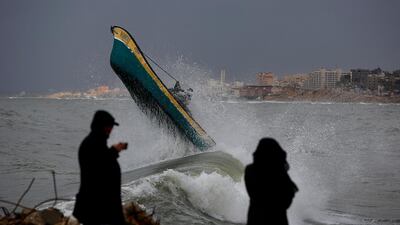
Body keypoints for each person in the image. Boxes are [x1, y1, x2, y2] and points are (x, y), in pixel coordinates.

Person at [73, 110, 128, 225]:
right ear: (100, 126)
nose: (110, 130)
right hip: (95, 207)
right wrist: (114, 151)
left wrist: (113, 151)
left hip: (102, 207)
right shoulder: (91, 143)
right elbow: (98, 169)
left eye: (111, 127)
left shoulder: (98, 143)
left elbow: (102, 161)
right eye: (108, 126)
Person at [244, 138, 298, 225]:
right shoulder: (278, 172)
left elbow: (253, 193)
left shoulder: (250, 170)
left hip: (255, 217)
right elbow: (287, 200)